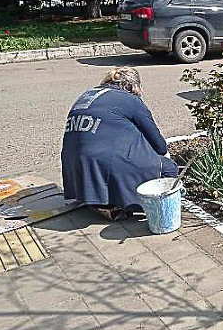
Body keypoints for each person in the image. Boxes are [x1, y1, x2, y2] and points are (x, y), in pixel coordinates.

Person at [61, 66, 178, 221]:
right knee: (169, 169)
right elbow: (159, 144)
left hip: (74, 166)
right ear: (132, 86)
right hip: (103, 162)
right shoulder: (129, 99)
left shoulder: (87, 94)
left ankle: (97, 200)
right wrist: (163, 158)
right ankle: (123, 204)